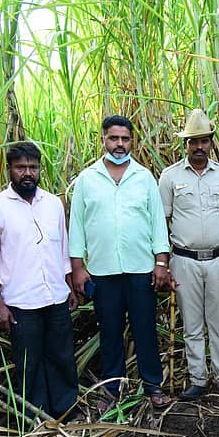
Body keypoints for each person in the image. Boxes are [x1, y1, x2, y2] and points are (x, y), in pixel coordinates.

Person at [69, 115, 173, 411]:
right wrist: (78, 267)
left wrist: (161, 263)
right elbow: (76, 226)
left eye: (125, 139)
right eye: (113, 138)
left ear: (132, 141)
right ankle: (111, 389)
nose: (119, 144)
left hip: (140, 269)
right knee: (110, 331)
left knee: (145, 330)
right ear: (103, 139)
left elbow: (157, 224)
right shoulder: (88, 179)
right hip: (103, 272)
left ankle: (153, 385)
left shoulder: (144, 178)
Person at [0, 141, 79, 419]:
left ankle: (66, 411)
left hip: (56, 296)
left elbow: (61, 250)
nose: (27, 173)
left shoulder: (53, 204)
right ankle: (35, 418)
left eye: (33, 167)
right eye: (21, 167)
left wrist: (69, 287)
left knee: (61, 357)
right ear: (8, 170)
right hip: (20, 302)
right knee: (28, 364)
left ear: (39, 170)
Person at [158, 109, 219, 400]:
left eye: (204, 141)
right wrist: (163, 264)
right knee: (192, 324)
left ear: (210, 142)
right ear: (186, 144)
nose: (198, 147)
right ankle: (197, 379)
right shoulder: (169, 177)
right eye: (193, 141)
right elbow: (162, 222)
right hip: (184, 260)